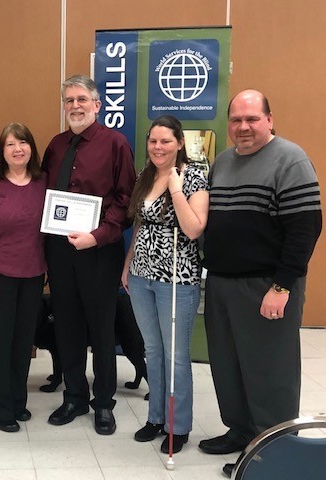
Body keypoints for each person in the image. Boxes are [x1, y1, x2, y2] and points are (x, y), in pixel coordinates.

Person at [199, 90, 322, 476]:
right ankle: (240, 432)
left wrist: (282, 286)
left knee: (270, 371)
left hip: (267, 285)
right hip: (221, 283)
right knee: (228, 365)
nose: (243, 127)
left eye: (252, 119)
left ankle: (273, 447)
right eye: (236, 119)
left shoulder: (290, 159)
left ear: (269, 119)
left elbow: (305, 229)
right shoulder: (222, 162)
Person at [42, 74, 136, 435]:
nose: (75, 106)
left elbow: (125, 201)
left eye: (82, 99)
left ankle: (103, 403)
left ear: (97, 105)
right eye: (69, 100)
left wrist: (96, 237)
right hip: (61, 252)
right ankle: (75, 396)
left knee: (100, 328)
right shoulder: (56, 145)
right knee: (66, 325)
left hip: (99, 252)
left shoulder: (116, 144)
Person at [122, 115, 209, 454]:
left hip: (177, 278)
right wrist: (129, 263)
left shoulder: (194, 177)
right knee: (153, 351)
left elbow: (193, 229)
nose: (158, 147)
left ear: (179, 143)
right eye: (153, 141)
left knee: (175, 355)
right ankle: (155, 417)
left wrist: (175, 186)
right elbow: (141, 225)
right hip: (143, 275)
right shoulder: (144, 176)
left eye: (165, 141)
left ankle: (178, 426)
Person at [0, 123, 47, 432]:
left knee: (22, 343)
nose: (18, 149)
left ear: (31, 147)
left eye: (23, 143)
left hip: (32, 275)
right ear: (2, 151)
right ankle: (0, 408)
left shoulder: (43, 182)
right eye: (10, 144)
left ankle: (18, 400)